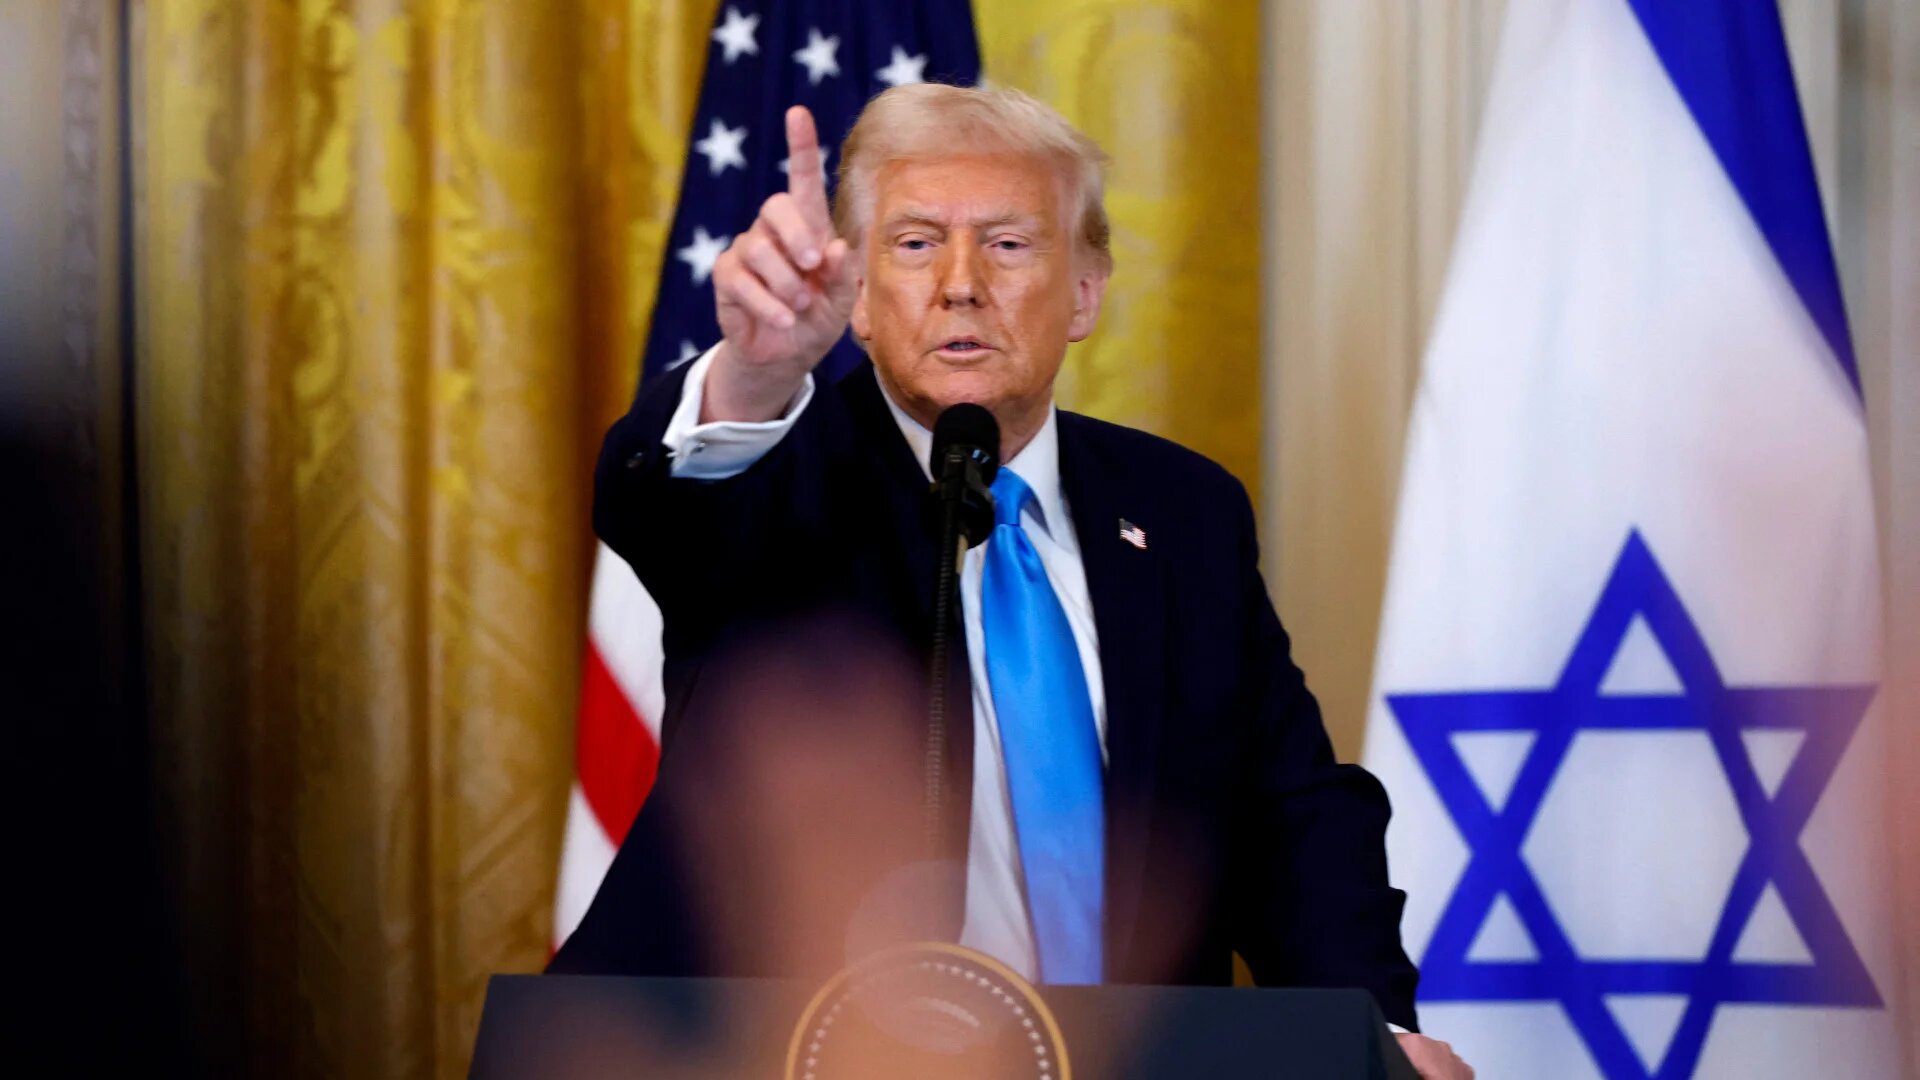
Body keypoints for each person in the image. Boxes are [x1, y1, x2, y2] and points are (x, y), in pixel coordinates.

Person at [553, 83, 1470, 1079]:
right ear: (855, 294)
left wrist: (1372, 1033)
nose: (959, 283)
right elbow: (659, 501)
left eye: (1009, 243)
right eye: (912, 245)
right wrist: (754, 375)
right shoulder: (781, 475)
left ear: (1085, 293)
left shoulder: (1184, 510)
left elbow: (1291, 817)